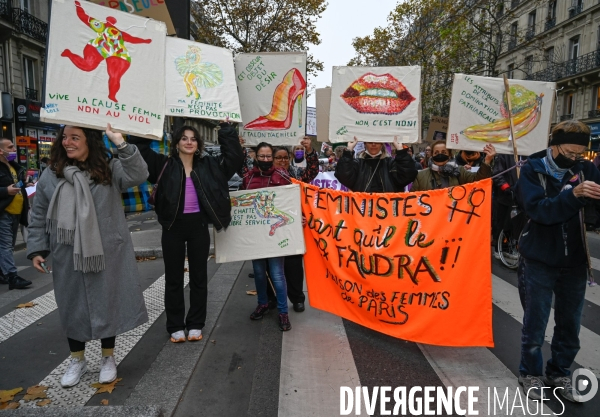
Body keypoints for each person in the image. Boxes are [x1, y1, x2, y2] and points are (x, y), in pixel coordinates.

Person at [27, 124, 149, 388]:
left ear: (89, 141)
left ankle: (108, 358)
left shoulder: (109, 167)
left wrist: (121, 143)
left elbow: (139, 174)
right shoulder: (51, 174)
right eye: (65, 138)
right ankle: (77, 359)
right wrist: (37, 248)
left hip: (106, 251)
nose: (67, 142)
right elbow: (38, 213)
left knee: (108, 301)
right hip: (67, 252)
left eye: (74, 137)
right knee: (72, 306)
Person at [130, 122, 243, 343]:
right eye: (184, 138)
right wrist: (145, 119)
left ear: (198, 143)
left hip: (198, 227)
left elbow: (234, 159)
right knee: (173, 279)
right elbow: (140, 151)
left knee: (199, 278)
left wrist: (227, 130)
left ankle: (195, 324)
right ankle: (175, 326)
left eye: (193, 138)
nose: (189, 142)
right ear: (176, 143)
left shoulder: (210, 166)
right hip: (172, 227)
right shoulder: (162, 165)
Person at [515, 120, 600, 402]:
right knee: (535, 323)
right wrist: (574, 196)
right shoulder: (531, 170)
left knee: (570, 325)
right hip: (538, 257)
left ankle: (559, 371)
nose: (575, 159)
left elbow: (595, 210)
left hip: (575, 260)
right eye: (570, 152)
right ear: (554, 145)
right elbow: (539, 211)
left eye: (580, 154)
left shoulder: (586, 169)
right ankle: (530, 373)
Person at [242, 142, 292, 330]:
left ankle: (283, 312)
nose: (264, 160)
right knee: (259, 274)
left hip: (276, 234)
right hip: (256, 236)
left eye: (268, 156)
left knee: (278, 275)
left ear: (272, 157)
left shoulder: (282, 176)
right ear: (256, 157)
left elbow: (291, 202)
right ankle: (262, 303)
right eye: (261, 156)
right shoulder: (247, 178)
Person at [61, 1, 152, 102]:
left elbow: (132, 39)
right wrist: (78, 6)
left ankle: (112, 95)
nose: (111, 23)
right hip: (99, 49)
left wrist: (145, 41)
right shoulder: (103, 26)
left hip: (115, 53)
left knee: (114, 75)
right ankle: (69, 54)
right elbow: (84, 17)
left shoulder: (118, 32)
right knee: (89, 66)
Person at [270, 138, 319, 313]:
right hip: (271, 228)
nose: (282, 161)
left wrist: (311, 152)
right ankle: (271, 299)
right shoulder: (265, 175)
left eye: (285, 157)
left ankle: (297, 298)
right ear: (272, 159)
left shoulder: (296, 175)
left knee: (294, 267)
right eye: (278, 158)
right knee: (270, 265)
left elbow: (313, 171)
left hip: (293, 227)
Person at [0, 138, 32, 289]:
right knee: (6, 246)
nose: (14, 150)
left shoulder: (13, 166)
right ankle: (12, 276)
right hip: (3, 213)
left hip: (16, 213)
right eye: (10, 147)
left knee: (8, 246)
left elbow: (16, 184)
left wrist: (25, 185)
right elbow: (7, 188)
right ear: (1, 151)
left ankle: (2, 273)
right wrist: (6, 190)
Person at [335, 137, 418, 193]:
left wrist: (401, 151)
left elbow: (408, 176)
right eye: (370, 141)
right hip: (362, 212)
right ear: (365, 143)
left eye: (377, 141)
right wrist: (348, 150)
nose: (373, 144)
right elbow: (343, 176)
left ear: (382, 143)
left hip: (388, 213)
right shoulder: (357, 164)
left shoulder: (391, 163)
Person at [411, 140, 495, 191]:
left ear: (450, 155)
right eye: (436, 153)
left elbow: (479, 182)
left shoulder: (460, 171)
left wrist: (487, 161)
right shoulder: (421, 176)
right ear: (432, 155)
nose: (440, 155)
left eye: (444, 152)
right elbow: (413, 198)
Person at [492, 153, 523, 259]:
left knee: (517, 223)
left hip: (522, 195)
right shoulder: (505, 155)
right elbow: (497, 173)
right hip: (506, 196)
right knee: (503, 222)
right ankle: (500, 248)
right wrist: (505, 187)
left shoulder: (529, 155)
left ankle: (512, 246)